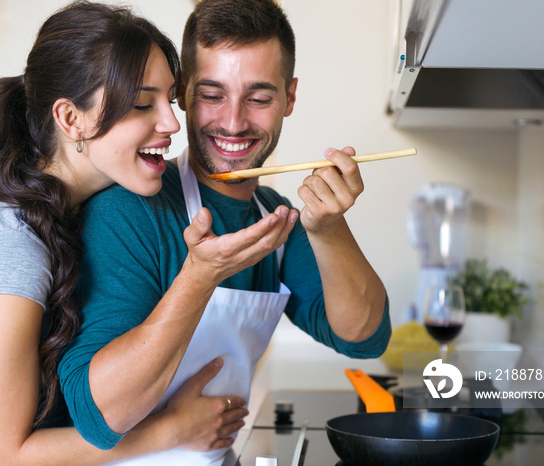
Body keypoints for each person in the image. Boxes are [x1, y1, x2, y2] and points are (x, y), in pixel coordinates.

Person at [0, 2, 295, 464]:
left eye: (169, 99)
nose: (170, 124)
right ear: (70, 119)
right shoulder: (10, 242)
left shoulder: (73, 213)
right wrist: (169, 431)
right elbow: (5, 456)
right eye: (142, 104)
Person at [58, 0, 392, 463]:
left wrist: (330, 229)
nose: (233, 123)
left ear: (289, 98)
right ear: (183, 94)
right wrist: (199, 276)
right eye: (212, 95)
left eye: (258, 98)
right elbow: (100, 412)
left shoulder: (276, 218)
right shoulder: (128, 210)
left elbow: (364, 336)